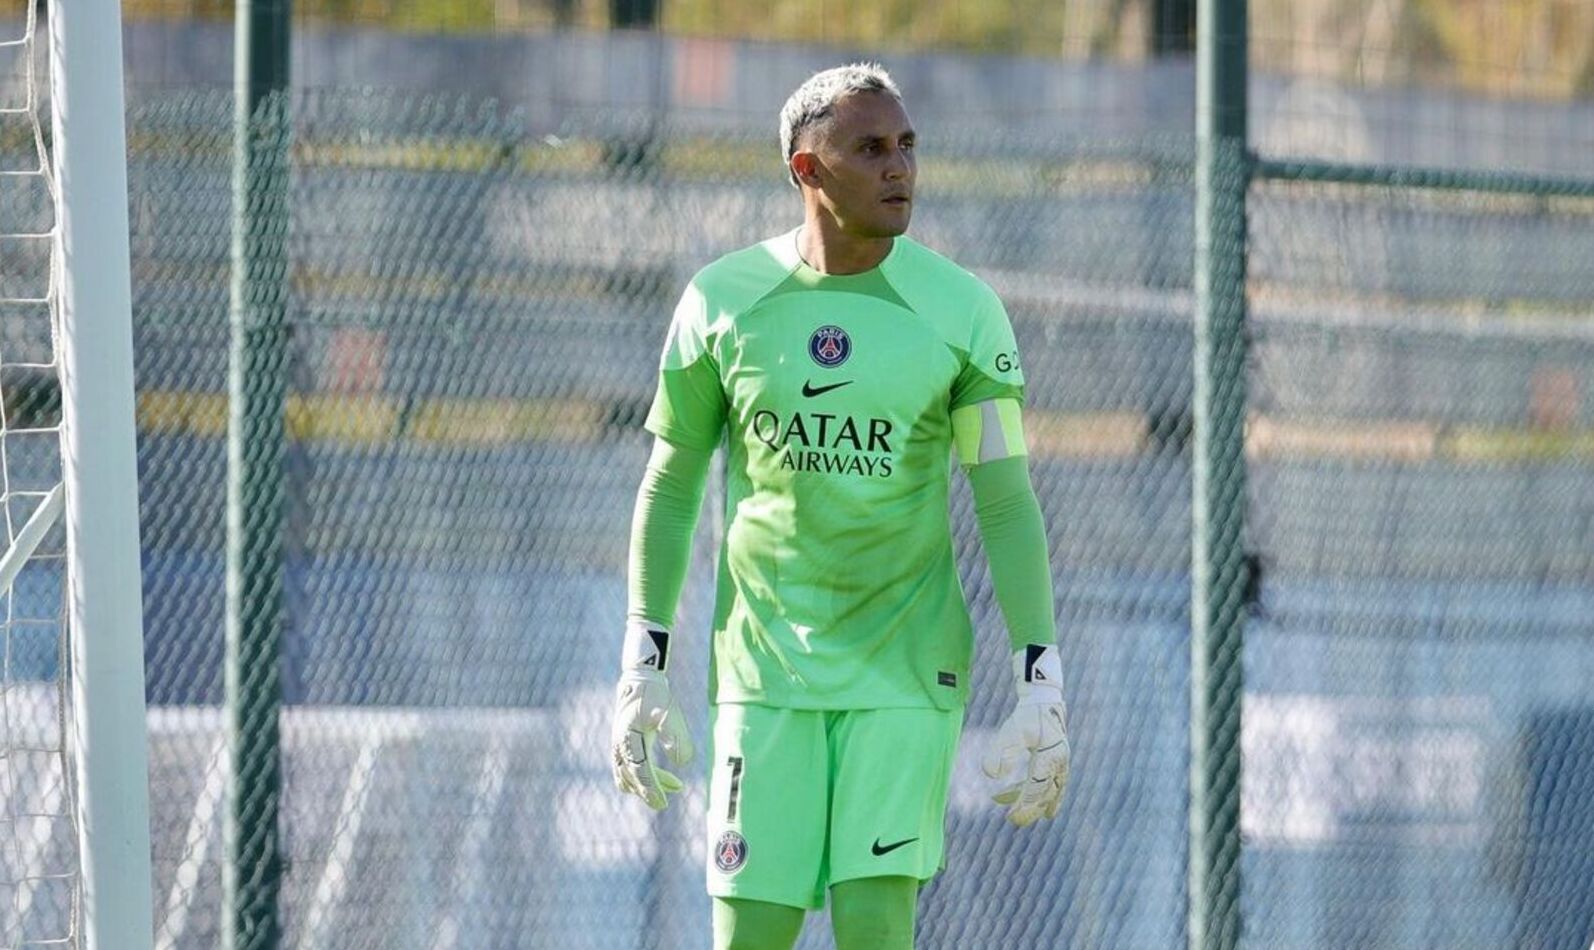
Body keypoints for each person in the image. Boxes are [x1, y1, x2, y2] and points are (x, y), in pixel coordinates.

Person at [610, 62, 1070, 950]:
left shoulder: (964, 312)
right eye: (871, 148)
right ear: (807, 171)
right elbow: (670, 486)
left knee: (872, 925)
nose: (899, 167)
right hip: (762, 675)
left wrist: (1041, 684)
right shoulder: (720, 302)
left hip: (905, 674)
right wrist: (643, 662)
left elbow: (1006, 501)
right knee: (750, 934)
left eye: (906, 146)